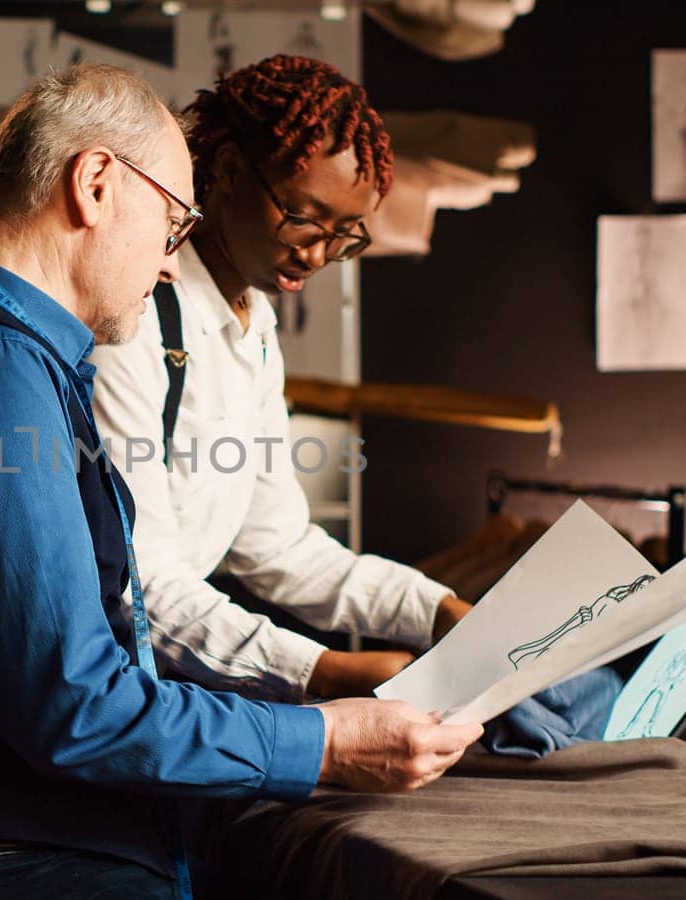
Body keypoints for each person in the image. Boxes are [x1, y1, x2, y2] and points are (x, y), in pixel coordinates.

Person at [0, 63, 482, 900]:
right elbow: (75, 701)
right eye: (173, 224)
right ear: (98, 184)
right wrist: (319, 739)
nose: (168, 265)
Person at [89, 55, 474, 705]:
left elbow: (279, 548)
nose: (318, 253)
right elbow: (143, 585)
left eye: (344, 235)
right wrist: (326, 673)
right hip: (96, 682)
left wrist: (439, 611)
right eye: (303, 217)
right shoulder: (136, 318)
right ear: (232, 172)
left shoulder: (256, 329)